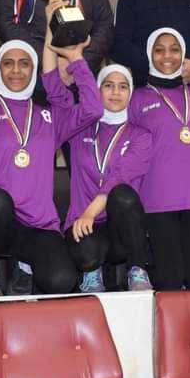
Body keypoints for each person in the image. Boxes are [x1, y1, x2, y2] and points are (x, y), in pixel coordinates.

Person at [0, 2, 101, 297]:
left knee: (61, 280)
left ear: (33, 70)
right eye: (8, 63)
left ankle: (24, 266)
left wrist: (75, 59)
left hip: (37, 226)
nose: (16, 70)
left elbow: (93, 109)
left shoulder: (50, 116)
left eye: (24, 63)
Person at [129, 27, 190, 291]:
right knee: (170, 281)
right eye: (160, 50)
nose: (167, 56)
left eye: (174, 50)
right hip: (158, 199)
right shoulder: (137, 98)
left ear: (183, 55)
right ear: (149, 54)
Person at [65, 64, 153, 292]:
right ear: (97, 90)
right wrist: (73, 60)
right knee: (87, 252)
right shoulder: (80, 129)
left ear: (130, 93)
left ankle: (137, 269)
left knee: (122, 193)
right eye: (108, 85)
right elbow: (57, 96)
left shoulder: (141, 135)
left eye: (123, 86)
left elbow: (119, 177)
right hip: (84, 226)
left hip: (121, 230)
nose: (115, 92)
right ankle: (92, 274)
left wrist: (90, 212)